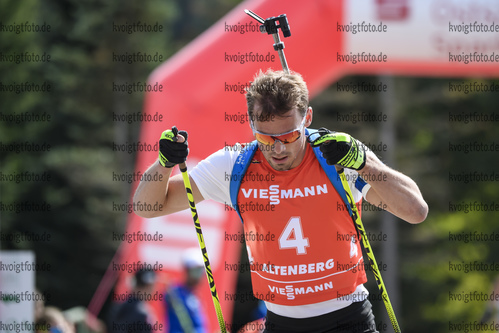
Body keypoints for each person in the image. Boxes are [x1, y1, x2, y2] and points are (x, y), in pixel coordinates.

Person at [133, 69, 428, 332]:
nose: (277, 149)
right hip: (280, 322)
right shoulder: (234, 164)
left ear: (307, 118)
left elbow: (415, 211)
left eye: (288, 137)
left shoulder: (337, 155)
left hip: (347, 319)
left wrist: (365, 164)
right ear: (250, 123)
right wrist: (163, 163)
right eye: (265, 138)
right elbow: (148, 206)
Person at [164, 247, 208, 332]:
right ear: (186, 271)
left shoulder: (195, 296)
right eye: (195, 272)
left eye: (201, 272)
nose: (198, 277)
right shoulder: (174, 293)